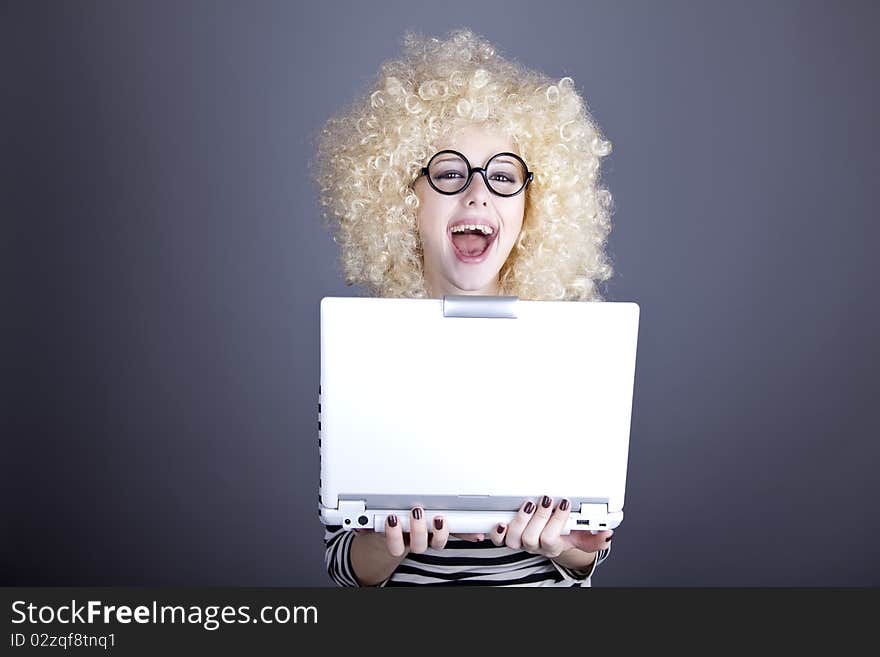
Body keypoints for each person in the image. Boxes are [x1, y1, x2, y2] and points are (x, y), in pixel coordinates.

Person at [312, 28, 616, 586]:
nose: (477, 194)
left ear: (533, 207)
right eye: (450, 173)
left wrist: (573, 549)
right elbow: (342, 564)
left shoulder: (570, 355)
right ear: (406, 198)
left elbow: (583, 558)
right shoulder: (362, 356)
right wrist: (385, 546)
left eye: (503, 177)